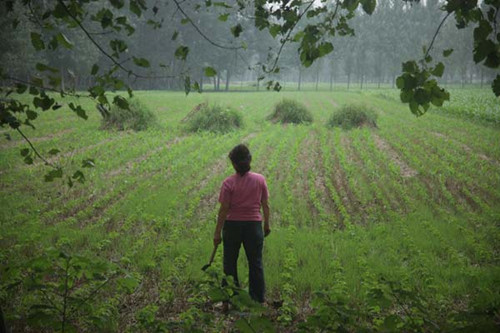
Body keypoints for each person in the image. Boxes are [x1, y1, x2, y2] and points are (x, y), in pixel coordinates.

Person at [213, 144, 270, 304]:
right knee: (255, 263)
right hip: (254, 226)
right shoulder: (260, 180)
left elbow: (224, 210)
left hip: (232, 227)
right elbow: (265, 205)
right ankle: (257, 300)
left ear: (234, 164)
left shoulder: (228, 183)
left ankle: (231, 299)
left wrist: (217, 233)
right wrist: (267, 225)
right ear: (249, 160)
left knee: (229, 263)